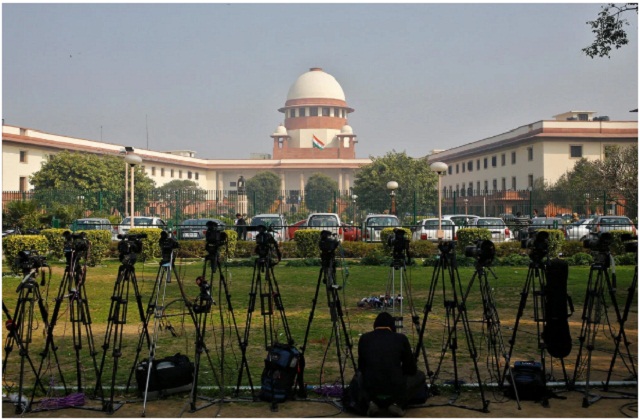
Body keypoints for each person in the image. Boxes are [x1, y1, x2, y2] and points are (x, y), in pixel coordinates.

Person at [356, 312, 426, 417]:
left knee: (359, 377)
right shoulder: (401, 338)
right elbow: (411, 369)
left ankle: (371, 402)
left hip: (372, 388)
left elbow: (361, 367)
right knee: (420, 375)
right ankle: (397, 403)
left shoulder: (364, 338)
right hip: (395, 389)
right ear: (392, 326)